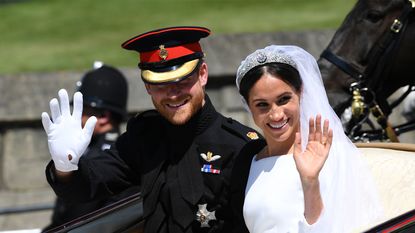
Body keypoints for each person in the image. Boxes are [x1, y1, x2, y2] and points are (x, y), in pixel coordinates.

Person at [41, 26, 261, 233]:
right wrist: (65, 166)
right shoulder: (144, 138)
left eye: (182, 81)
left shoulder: (240, 146)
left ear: (202, 74)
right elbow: (89, 188)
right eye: (160, 84)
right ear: (147, 86)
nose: (173, 94)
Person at [230, 45, 383, 233]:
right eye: (262, 105)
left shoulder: (329, 156)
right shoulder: (249, 160)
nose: (276, 115)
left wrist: (310, 181)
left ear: (301, 92)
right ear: (248, 106)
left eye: (284, 99)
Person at [42, 62, 138, 231]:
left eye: (83, 110)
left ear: (103, 117)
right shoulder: (95, 148)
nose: (77, 118)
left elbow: (74, 219)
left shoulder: (108, 157)